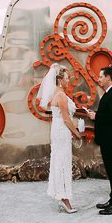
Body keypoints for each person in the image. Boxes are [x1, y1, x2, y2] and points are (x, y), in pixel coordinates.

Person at [39, 63, 82, 213]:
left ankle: (61, 196)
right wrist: (77, 133)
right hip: (62, 131)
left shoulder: (55, 94)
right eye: (67, 78)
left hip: (58, 130)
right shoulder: (61, 96)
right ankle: (64, 199)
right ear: (59, 80)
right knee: (62, 162)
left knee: (60, 162)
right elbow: (66, 119)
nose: (68, 80)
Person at [86, 66, 112, 215]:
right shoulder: (109, 93)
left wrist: (96, 117)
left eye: (101, 76)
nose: (99, 79)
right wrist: (96, 114)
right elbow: (109, 114)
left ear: (109, 77)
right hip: (108, 140)